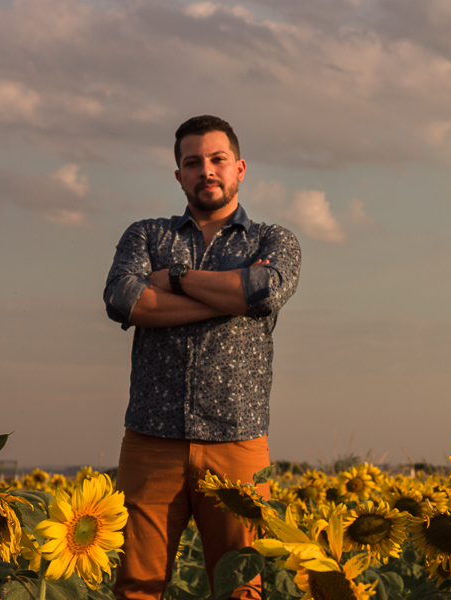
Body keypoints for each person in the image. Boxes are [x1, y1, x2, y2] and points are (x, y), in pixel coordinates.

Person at [103, 115, 301, 600]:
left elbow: (265, 291)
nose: (206, 170)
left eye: (217, 159)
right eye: (193, 163)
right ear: (179, 176)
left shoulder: (273, 240)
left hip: (237, 440)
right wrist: (231, 296)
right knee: (135, 588)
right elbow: (124, 300)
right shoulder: (146, 235)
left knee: (242, 591)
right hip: (151, 440)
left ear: (240, 168)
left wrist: (173, 279)